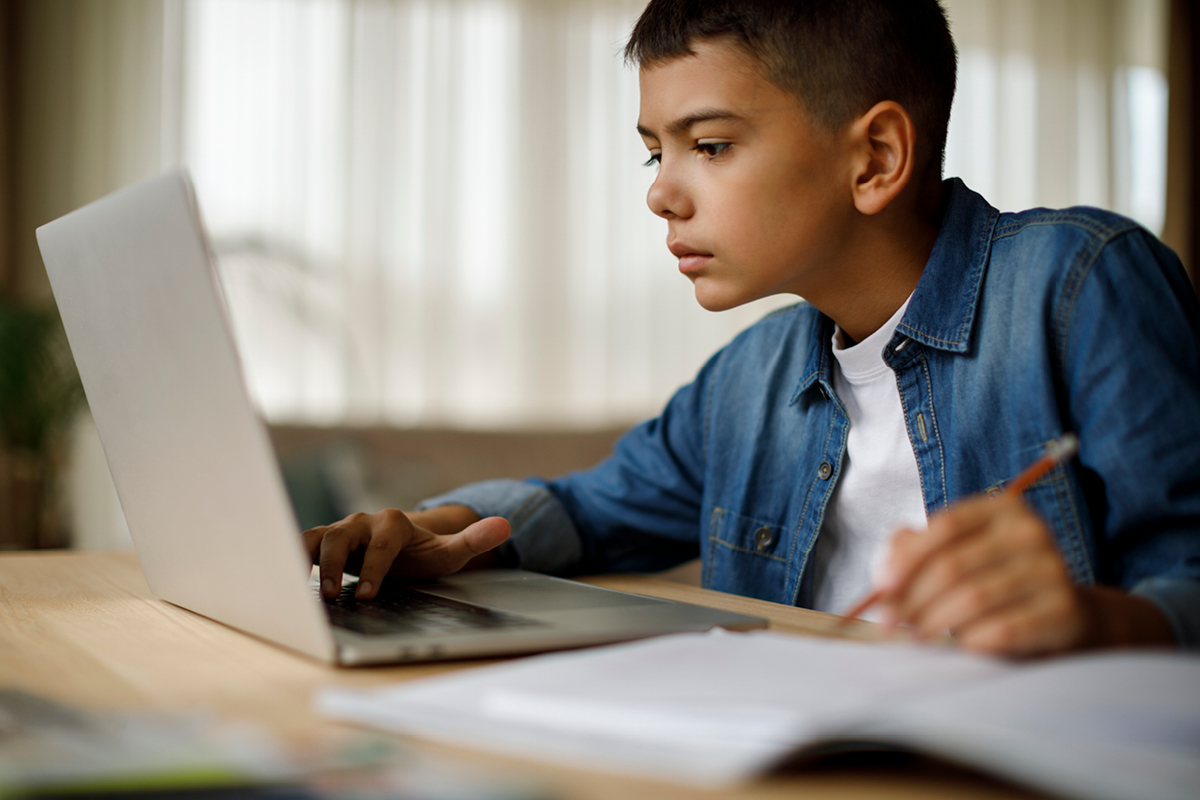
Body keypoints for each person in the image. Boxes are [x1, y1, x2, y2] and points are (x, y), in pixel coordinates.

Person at [302, 0, 1200, 656]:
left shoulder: (1080, 287)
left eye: (712, 145)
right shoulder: (750, 378)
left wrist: (1101, 622)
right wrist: (433, 528)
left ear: (876, 158)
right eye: (656, 151)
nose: (659, 190)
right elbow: (585, 509)